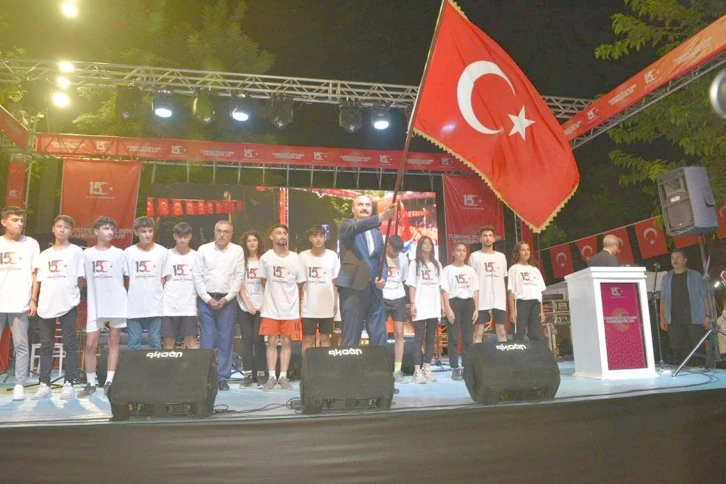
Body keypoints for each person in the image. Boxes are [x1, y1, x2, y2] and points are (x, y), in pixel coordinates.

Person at [31, 215, 84, 400]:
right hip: (46, 304)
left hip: (68, 303)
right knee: (47, 345)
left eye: (66, 227)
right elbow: (38, 279)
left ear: (71, 231)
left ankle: (69, 383)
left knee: (69, 344)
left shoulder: (76, 252)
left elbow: (80, 278)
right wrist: (34, 299)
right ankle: (44, 384)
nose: (62, 229)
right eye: (59, 226)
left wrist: (74, 294)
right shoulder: (44, 255)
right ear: (53, 228)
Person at [192, 220, 245, 391]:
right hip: (206, 301)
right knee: (207, 341)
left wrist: (227, 298)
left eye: (226, 231)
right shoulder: (203, 249)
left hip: (227, 302)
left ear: (231, 234)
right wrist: (207, 298)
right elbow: (197, 276)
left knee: (226, 340)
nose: (222, 234)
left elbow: (239, 277)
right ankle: (206, 377)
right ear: (214, 232)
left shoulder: (237, 250)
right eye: (219, 231)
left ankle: (222, 378)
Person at [337, 195, 396, 346]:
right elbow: (356, 227)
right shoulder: (346, 226)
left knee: (380, 338)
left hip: (375, 291)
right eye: (360, 205)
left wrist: (383, 278)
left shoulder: (377, 233)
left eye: (368, 205)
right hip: (353, 288)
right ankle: (350, 363)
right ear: (353, 209)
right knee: (351, 338)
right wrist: (381, 217)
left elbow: (382, 261)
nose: (364, 208)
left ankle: (380, 362)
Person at [78, 216, 127, 397]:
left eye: (112, 229)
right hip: (95, 303)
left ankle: (109, 382)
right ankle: (90, 383)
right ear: (96, 231)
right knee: (91, 344)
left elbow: (127, 278)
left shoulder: (119, 253)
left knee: (114, 341)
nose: (110, 232)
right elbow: (80, 278)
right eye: (106, 228)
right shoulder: (87, 254)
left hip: (116, 301)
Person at [259, 224, 305, 391]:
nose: (282, 235)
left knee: (286, 341)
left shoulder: (296, 258)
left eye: (284, 233)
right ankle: (272, 376)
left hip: (289, 308)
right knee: (271, 341)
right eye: (278, 233)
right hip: (271, 308)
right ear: (271, 236)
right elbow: (263, 281)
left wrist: (290, 299)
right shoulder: (265, 258)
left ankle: (283, 376)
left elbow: (300, 283)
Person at [0, 206, 39, 401]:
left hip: (20, 302)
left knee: (21, 345)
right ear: (4, 222)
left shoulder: (31, 243)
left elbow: (35, 273)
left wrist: (33, 299)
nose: (19, 224)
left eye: (22, 220)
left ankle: (19, 384)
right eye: (15, 220)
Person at [659, 248, 710, 365]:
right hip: (674, 319)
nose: (675, 260)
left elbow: (704, 296)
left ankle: (701, 371)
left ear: (685, 260)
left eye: (678, 257)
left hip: (695, 318)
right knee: (678, 350)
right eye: (672, 258)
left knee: (698, 349)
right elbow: (663, 299)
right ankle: (682, 373)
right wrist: (662, 318)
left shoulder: (695, 275)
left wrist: (707, 315)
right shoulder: (666, 278)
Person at [125, 216, 167, 351]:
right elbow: (127, 279)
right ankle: (133, 366)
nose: (147, 235)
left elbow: (163, 278)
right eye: (143, 231)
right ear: (136, 232)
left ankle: (155, 367)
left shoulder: (162, 252)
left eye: (150, 231)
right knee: (133, 343)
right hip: (134, 305)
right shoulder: (128, 252)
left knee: (155, 342)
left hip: (155, 305)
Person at [405, 235, 443, 384]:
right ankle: (417, 371)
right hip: (420, 305)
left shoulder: (437, 264)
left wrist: (442, 305)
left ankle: (427, 368)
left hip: (434, 305)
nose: (427, 245)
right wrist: (413, 303)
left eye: (430, 243)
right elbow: (412, 286)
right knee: (419, 337)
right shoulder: (414, 264)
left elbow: (440, 287)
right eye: (424, 243)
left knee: (431, 338)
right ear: (420, 246)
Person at [441, 243, 479, 381]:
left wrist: (476, 308)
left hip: (469, 304)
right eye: (458, 250)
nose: (461, 253)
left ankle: (467, 366)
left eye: (463, 250)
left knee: (468, 338)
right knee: (454, 337)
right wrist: (448, 309)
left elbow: (475, 290)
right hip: (454, 303)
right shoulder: (448, 269)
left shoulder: (471, 270)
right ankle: (455, 367)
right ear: (453, 253)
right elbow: (444, 291)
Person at [299, 225, 340, 354]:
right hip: (308, 306)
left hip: (327, 305)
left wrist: (335, 303)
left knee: (325, 338)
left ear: (325, 238)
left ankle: (324, 365)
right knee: (308, 339)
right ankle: (306, 365)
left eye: (321, 236)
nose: (318, 239)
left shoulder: (332, 256)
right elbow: (300, 282)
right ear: (310, 238)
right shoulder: (303, 256)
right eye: (315, 236)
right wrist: (298, 303)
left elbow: (335, 282)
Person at [236, 230, 267, 388]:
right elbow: (239, 284)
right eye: (249, 240)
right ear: (245, 243)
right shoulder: (241, 262)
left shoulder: (264, 260)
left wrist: (262, 304)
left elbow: (268, 284)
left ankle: (261, 373)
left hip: (262, 305)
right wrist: (247, 303)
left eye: (255, 240)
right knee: (247, 339)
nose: (252, 243)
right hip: (244, 306)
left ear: (259, 242)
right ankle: (248, 374)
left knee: (258, 339)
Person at [161, 222, 198, 350]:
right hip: (169, 305)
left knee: (191, 342)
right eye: (179, 236)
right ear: (174, 236)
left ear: (190, 236)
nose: (182, 240)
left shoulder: (196, 256)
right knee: (168, 342)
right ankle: (167, 364)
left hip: (189, 305)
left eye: (185, 237)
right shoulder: (166, 255)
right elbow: (162, 280)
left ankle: (194, 364)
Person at [469, 226, 508, 343]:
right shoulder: (474, 256)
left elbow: (503, 277)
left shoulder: (501, 257)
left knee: (501, 331)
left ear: (494, 239)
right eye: (485, 236)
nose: (488, 238)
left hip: (498, 299)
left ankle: (503, 354)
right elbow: (471, 280)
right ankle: (477, 355)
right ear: (480, 239)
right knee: (478, 331)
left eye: (490, 236)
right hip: (481, 299)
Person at [383, 235, 410, 383]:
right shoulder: (380, 256)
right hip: (382, 297)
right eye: (393, 251)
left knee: (399, 333)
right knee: (381, 333)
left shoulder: (404, 258)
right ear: (387, 245)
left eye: (398, 252)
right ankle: (381, 368)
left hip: (398, 297)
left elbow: (404, 278)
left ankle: (397, 370)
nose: (395, 254)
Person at [507, 241, 546, 342]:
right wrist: (512, 311)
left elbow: (539, 292)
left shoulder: (535, 270)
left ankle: (534, 352)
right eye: (523, 250)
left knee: (535, 334)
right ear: (518, 252)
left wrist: (541, 311)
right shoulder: (514, 269)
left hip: (535, 304)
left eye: (528, 249)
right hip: (521, 303)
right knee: (519, 335)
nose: (526, 252)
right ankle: (518, 352)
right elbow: (511, 292)